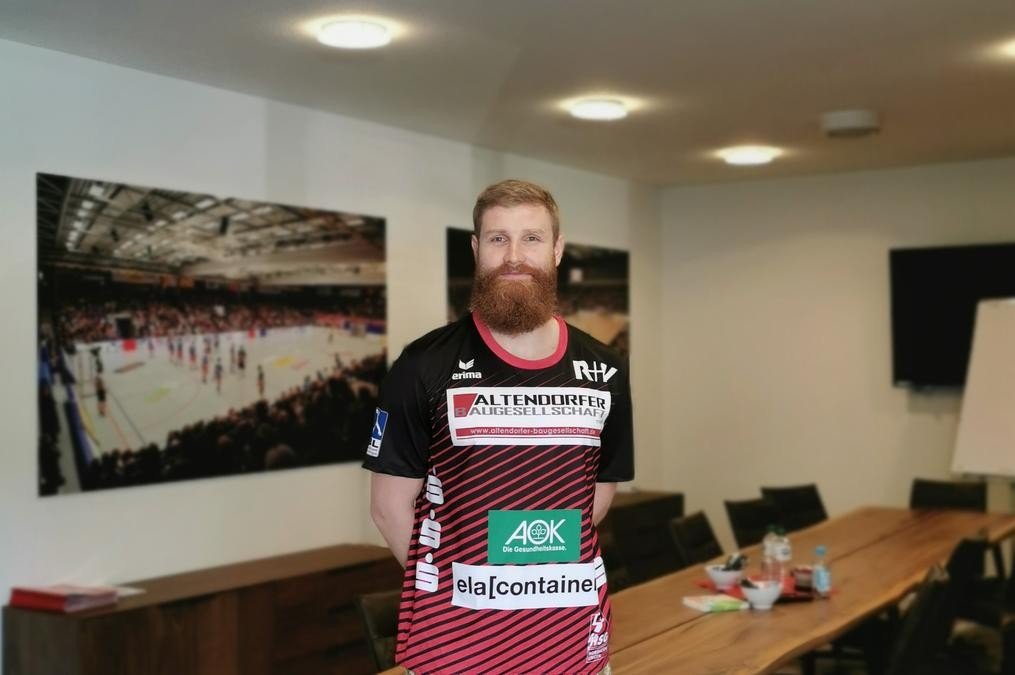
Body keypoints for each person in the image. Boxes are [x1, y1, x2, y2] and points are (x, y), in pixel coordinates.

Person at [363, 179, 633, 675]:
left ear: (557, 249)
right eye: (498, 238)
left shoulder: (606, 368)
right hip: (457, 651)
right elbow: (388, 508)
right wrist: (457, 589)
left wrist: (530, 576)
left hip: (573, 645)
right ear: (476, 248)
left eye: (531, 238)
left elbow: (595, 495)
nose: (514, 256)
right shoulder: (423, 364)